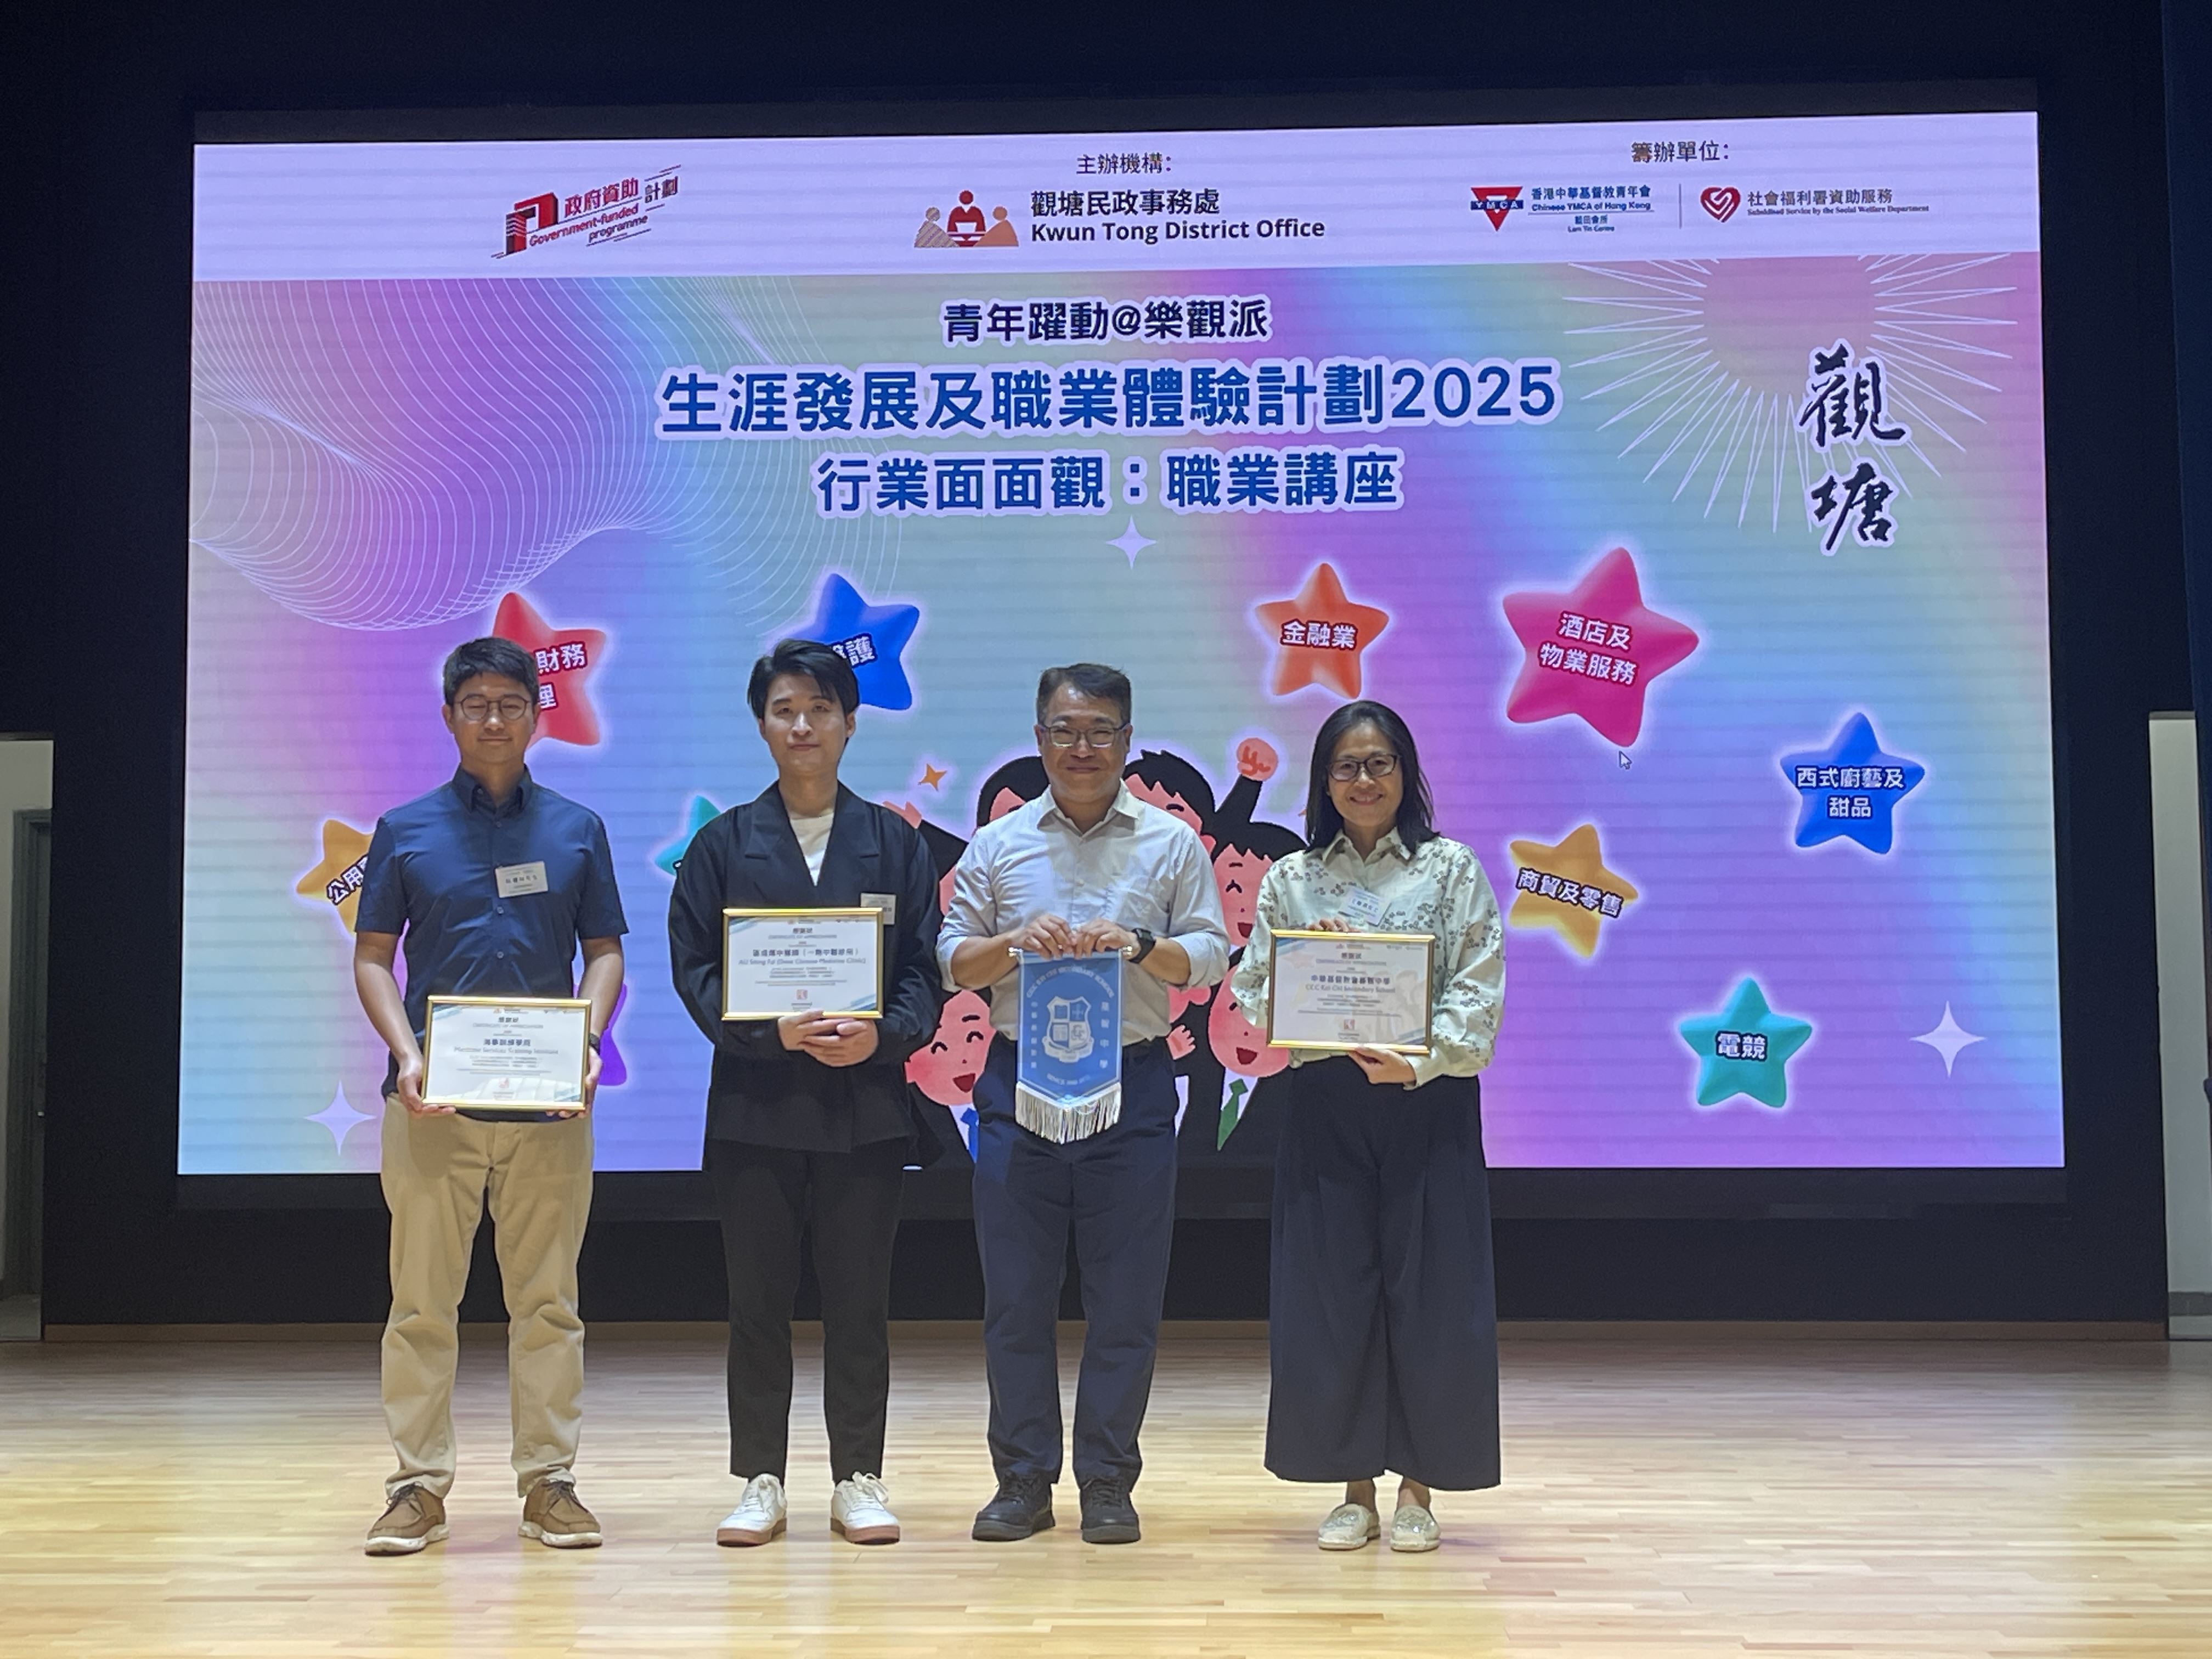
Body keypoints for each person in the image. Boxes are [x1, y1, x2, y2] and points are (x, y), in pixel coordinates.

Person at [940, 664, 1231, 1545]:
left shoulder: (1171, 844)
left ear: (1127, 742)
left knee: (1126, 1299)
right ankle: (1023, 1480)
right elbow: (951, 959)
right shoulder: (998, 845)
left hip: (1132, 1083)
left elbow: (1209, 956)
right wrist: (1011, 944)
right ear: (1039, 739)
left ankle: (1107, 1479)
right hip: (1017, 1082)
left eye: (1100, 731)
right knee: (1016, 1298)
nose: (1082, 748)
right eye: (1065, 730)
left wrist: (1141, 945)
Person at [352, 637, 628, 1556]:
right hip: (432, 1108)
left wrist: (587, 1043)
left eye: (512, 702)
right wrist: (407, 1055)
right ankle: (416, 1486)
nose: (495, 719)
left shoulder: (578, 829)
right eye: (476, 704)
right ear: (449, 717)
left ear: (538, 716)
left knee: (548, 1304)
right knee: (420, 1306)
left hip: (549, 1110)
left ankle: (549, 1483)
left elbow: (604, 953)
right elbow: (372, 958)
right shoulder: (405, 830)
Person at [667, 639, 945, 1549]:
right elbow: (695, 971)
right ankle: (761, 1478)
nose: (802, 726)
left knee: (860, 1304)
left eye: (820, 710)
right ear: (762, 724)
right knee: (758, 1305)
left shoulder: (894, 842)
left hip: (866, 1110)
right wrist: (767, 1032)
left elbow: (924, 973)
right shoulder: (721, 845)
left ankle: (858, 1475)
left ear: (850, 724)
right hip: (756, 1109)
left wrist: (883, 1035)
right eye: (785, 710)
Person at [1229, 699, 1504, 1555]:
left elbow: (1479, 986)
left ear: (1405, 774)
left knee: (1433, 1296)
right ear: (1324, 781)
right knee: (1332, 1296)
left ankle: (1420, 1489)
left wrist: (1419, 1062)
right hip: (1327, 1103)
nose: (1363, 780)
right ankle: (1354, 1489)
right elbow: (1251, 990)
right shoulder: (1292, 879)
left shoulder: (1450, 868)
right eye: (1346, 766)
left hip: (1428, 1101)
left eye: (1379, 763)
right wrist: (1310, 967)